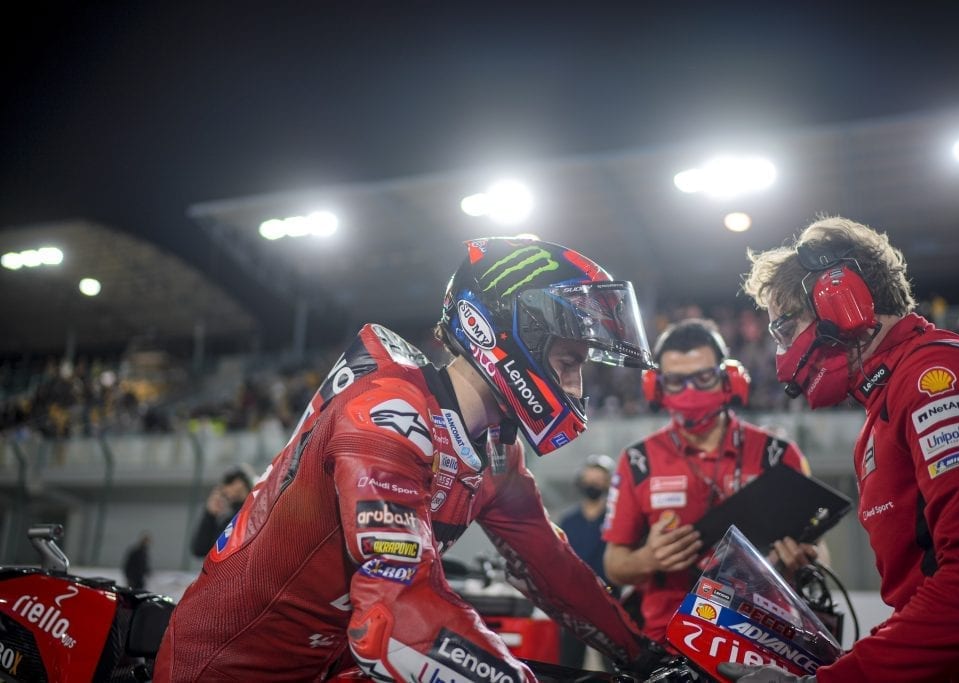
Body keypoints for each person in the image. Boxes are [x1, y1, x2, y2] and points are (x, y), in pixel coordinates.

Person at [155, 237, 677, 682]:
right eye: (567, 363)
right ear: (498, 332)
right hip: (225, 668)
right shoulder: (385, 411)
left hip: (328, 666)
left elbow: (554, 570)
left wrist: (649, 657)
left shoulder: (497, 451)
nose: (575, 387)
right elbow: (393, 616)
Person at [719, 216, 959, 682]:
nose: (781, 359)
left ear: (840, 303)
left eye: (784, 331)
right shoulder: (885, 404)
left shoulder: (934, 381)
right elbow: (929, 590)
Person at [602, 318, 824, 643]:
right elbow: (613, 563)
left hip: (765, 638)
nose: (691, 391)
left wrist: (801, 561)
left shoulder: (778, 455)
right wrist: (648, 558)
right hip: (672, 644)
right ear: (657, 387)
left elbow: (819, 549)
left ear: (729, 378)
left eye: (704, 377)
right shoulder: (638, 461)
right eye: (676, 381)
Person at [558, 453, 616, 669]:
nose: (593, 484)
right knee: (570, 663)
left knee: (614, 662)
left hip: (610, 600)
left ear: (608, 483)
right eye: (589, 480)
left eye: (599, 480)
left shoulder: (615, 519)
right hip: (575, 601)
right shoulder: (569, 520)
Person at [188, 465, 252, 558]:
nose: (224, 488)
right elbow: (200, 549)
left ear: (240, 484)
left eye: (229, 482)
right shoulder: (226, 519)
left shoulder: (255, 514)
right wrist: (210, 515)